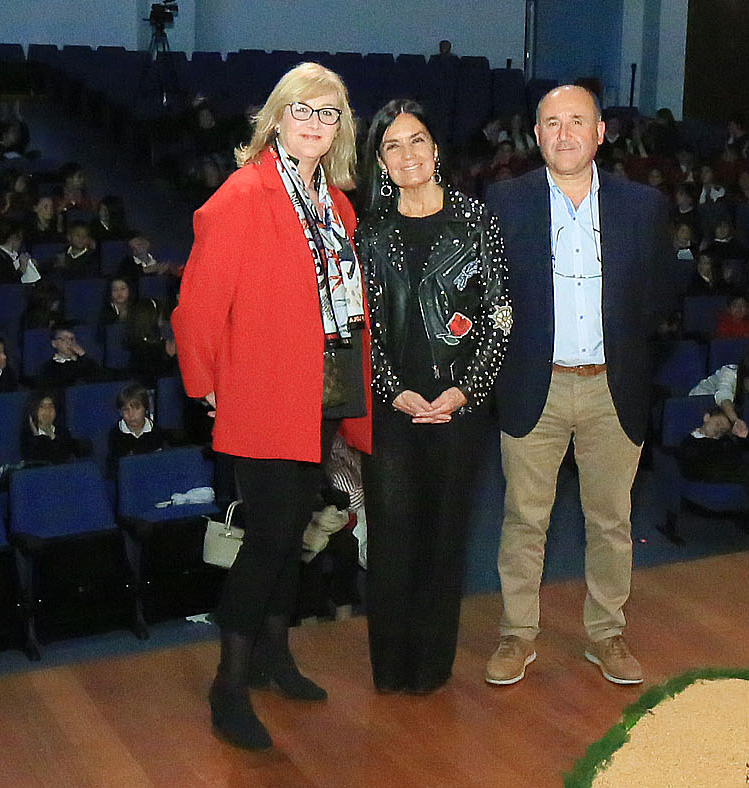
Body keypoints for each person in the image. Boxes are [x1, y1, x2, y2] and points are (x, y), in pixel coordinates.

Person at [173, 61, 375, 751]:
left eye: (328, 113)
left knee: (294, 535)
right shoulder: (242, 194)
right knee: (267, 540)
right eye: (303, 110)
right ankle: (228, 684)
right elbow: (198, 303)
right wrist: (205, 382)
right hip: (264, 394)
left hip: (323, 390)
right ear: (277, 118)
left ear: (341, 127)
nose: (315, 123)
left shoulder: (336, 202)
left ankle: (273, 656)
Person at [484, 82, 676, 688]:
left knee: (611, 521)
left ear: (600, 133)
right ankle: (517, 634)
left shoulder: (643, 206)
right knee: (523, 520)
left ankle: (606, 633)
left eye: (576, 121)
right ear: (536, 135)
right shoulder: (504, 202)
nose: (564, 133)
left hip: (610, 388)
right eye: (551, 122)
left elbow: (661, 296)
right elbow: (487, 294)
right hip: (532, 385)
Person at [354, 100, 510, 694]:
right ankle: (391, 667)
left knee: (445, 539)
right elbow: (358, 322)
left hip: (459, 410)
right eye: (392, 146)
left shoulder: (477, 220)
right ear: (381, 161)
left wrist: (466, 389)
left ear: (436, 148)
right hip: (391, 410)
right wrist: (392, 390)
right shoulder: (369, 232)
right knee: (392, 539)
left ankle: (431, 667)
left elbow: (500, 313)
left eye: (416, 140)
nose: (407, 154)